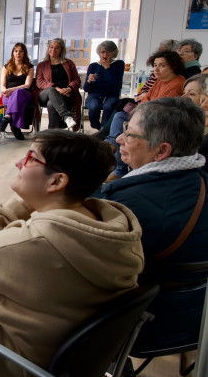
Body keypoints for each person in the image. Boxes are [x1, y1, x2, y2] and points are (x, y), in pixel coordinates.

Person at [0, 130, 143, 376]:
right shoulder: (112, 225)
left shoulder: (40, 240)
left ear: (57, 181)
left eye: (30, 158)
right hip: (45, 331)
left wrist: (20, 203)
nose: (19, 163)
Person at [93, 97, 208, 351]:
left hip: (145, 325)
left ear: (162, 151)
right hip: (198, 319)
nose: (120, 139)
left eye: (129, 133)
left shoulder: (121, 206)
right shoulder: (200, 181)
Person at [106, 50, 185, 179]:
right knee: (119, 116)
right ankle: (112, 151)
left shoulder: (176, 84)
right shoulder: (160, 80)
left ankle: (116, 161)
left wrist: (146, 103)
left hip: (158, 122)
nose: (156, 69)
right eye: (155, 65)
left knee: (123, 126)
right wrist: (146, 103)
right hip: (145, 114)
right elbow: (145, 98)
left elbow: (160, 109)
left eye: (162, 65)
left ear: (173, 66)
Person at [35, 38, 81, 130]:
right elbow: (39, 82)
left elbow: (76, 80)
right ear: (48, 49)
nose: (53, 50)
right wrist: (56, 88)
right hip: (45, 94)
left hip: (66, 94)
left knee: (51, 104)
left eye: (57, 48)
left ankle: (53, 133)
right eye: (51, 47)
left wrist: (69, 88)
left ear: (61, 50)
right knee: (52, 90)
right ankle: (67, 117)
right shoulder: (42, 65)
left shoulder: (69, 63)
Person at [0, 43, 34, 140]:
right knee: (16, 99)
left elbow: (27, 85)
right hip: (8, 96)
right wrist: (5, 91)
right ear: (13, 52)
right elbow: (2, 86)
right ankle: (14, 127)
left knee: (18, 92)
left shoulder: (29, 67)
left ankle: (7, 116)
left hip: (25, 94)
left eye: (21, 51)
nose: (18, 53)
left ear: (24, 53)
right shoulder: (6, 67)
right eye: (16, 51)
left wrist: (12, 89)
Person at [83, 40, 125, 130]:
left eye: (108, 51)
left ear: (114, 53)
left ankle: (103, 129)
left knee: (108, 106)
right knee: (94, 106)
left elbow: (116, 84)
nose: (105, 55)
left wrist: (107, 67)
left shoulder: (119, 64)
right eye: (102, 52)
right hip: (94, 95)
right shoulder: (93, 66)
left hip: (111, 95)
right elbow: (86, 88)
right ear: (99, 53)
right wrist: (89, 81)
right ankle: (97, 127)